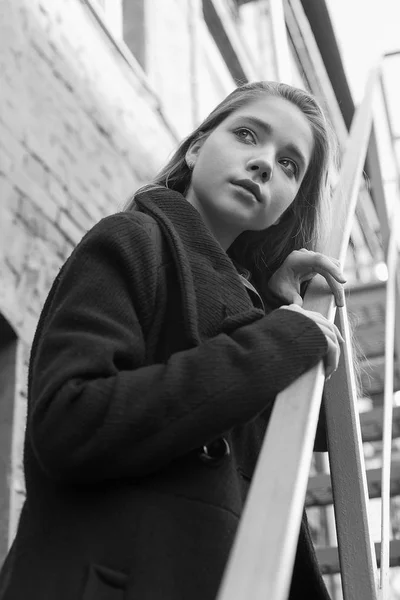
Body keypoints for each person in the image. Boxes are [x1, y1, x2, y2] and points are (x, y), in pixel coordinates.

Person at [0, 81, 346, 600]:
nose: (265, 164)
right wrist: (279, 336)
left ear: (289, 206)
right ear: (196, 147)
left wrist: (280, 309)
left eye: (291, 165)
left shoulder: (261, 312)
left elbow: (314, 431)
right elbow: (69, 420)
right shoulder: (131, 239)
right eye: (248, 135)